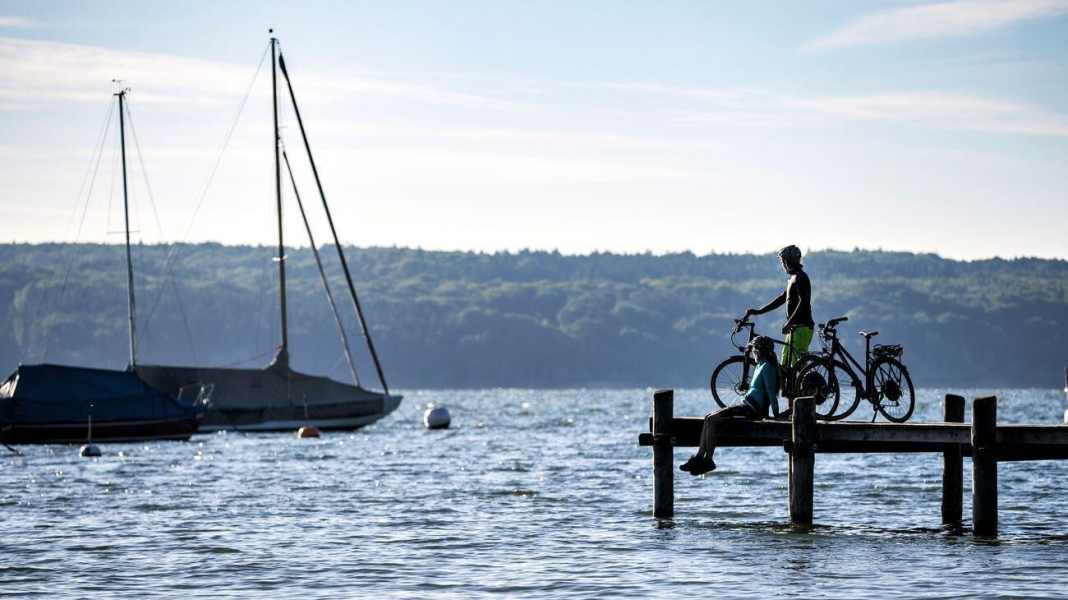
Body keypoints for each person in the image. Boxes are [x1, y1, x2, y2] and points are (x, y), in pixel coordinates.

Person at [680, 336, 780, 476]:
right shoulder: (760, 365)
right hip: (746, 407)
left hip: (752, 411)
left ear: (759, 351)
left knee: (712, 419)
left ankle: (707, 460)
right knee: (708, 418)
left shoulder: (767, 367)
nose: (752, 352)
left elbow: (771, 392)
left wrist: (776, 414)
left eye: (753, 350)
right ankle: (699, 457)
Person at [745, 245, 814, 370]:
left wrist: (789, 322)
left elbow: (804, 302)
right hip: (794, 328)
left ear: (789, 261)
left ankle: (807, 388)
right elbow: (782, 299)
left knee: (794, 366)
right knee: (785, 364)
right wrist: (759, 311)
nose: (782, 265)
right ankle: (792, 389)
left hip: (802, 327)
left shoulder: (800, 277)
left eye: (783, 261)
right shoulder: (793, 278)